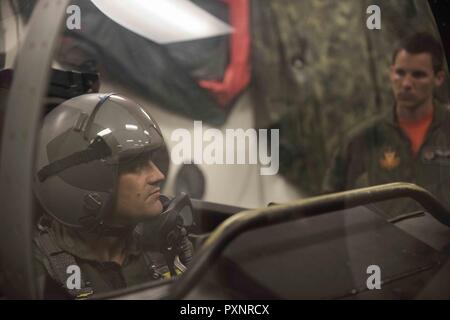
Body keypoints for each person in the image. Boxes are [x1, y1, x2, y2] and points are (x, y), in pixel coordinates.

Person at [33, 93, 193, 299]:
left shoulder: (167, 244)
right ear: (86, 182)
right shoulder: (39, 272)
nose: (158, 175)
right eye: (136, 166)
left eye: (151, 161)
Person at [322, 32, 450, 218]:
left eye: (418, 75)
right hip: (389, 244)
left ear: (438, 78)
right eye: (400, 73)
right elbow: (329, 200)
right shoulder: (366, 136)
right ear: (391, 73)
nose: (406, 83)